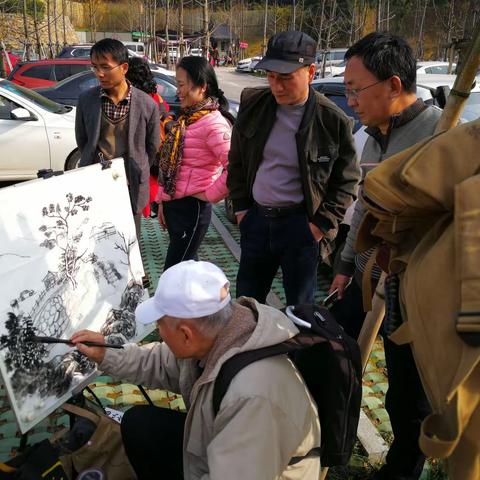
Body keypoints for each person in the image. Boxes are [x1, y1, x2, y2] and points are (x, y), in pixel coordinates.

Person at [71, 260, 321, 480]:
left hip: (259, 469)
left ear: (186, 334)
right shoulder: (224, 331)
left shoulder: (252, 397)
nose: (159, 332)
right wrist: (105, 353)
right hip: (229, 446)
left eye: (160, 325)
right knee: (140, 424)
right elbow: (158, 361)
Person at [328, 32, 443, 480]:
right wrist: (343, 265)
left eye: (357, 89)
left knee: (412, 394)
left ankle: (404, 471)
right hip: (374, 278)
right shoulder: (372, 137)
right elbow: (363, 208)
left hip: (421, 290)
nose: (351, 99)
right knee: (357, 366)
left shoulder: (441, 132)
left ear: (394, 85)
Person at [227, 30, 360, 306]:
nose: (276, 86)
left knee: (301, 310)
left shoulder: (332, 120)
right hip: (257, 221)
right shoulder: (254, 104)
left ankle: (299, 351)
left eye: (286, 77)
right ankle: (250, 350)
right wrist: (242, 210)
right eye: (271, 76)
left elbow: (347, 180)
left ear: (311, 72)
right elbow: (237, 161)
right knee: (246, 304)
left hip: (300, 226)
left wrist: (319, 225)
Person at [75, 38, 160, 240]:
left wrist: (137, 168)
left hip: (131, 185)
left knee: (130, 242)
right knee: (97, 241)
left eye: (105, 67)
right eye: (94, 67)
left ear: (123, 67)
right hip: (97, 182)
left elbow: (152, 147)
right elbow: (83, 140)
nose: (99, 73)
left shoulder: (147, 104)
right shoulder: (86, 100)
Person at [156, 56, 232, 271]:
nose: (177, 91)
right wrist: (163, 201)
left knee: (173, 272)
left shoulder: (213, 124)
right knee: (187, 271)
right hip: (175, 206)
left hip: (192, 209)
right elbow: (169, 164)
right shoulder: (187, 118)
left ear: (202, 87)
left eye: (181, 85)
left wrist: (209, 195)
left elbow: (236, 168)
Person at [126, 56, 173, 219]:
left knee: (140, 205)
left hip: (142, 159)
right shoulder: (156, 96)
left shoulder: (135, 100)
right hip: (157, 159)